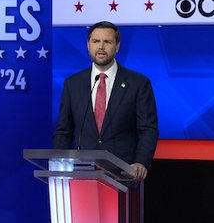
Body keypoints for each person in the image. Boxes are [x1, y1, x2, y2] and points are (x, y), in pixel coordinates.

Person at [53, 20, 158, 182]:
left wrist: (140, 162)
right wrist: (59, 162)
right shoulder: (72, 84)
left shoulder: (138, 83)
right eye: (96, 41)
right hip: (83, 174)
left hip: (124, 174)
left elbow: (148, 129)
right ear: (88, 45)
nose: (101, 47)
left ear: (117, 47)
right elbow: (63, 131)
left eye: (107, 42)